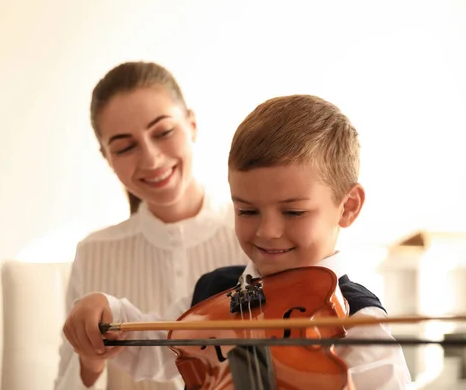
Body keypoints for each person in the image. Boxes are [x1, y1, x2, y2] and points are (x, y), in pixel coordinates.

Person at [63, 94, 413, 389]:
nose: (267, 232)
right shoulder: (214, 293)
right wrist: (106, 310)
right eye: (247, 211)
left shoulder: (358, 321)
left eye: (293, 213)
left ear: (347, 207)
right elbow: (154, 345)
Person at [53, 61, 248, 390]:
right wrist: (90, 358)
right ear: (107, 156)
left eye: (163, 132)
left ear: (192, 124)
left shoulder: (258, 235)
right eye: (126, 146)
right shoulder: (93, 253)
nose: (152, 159)